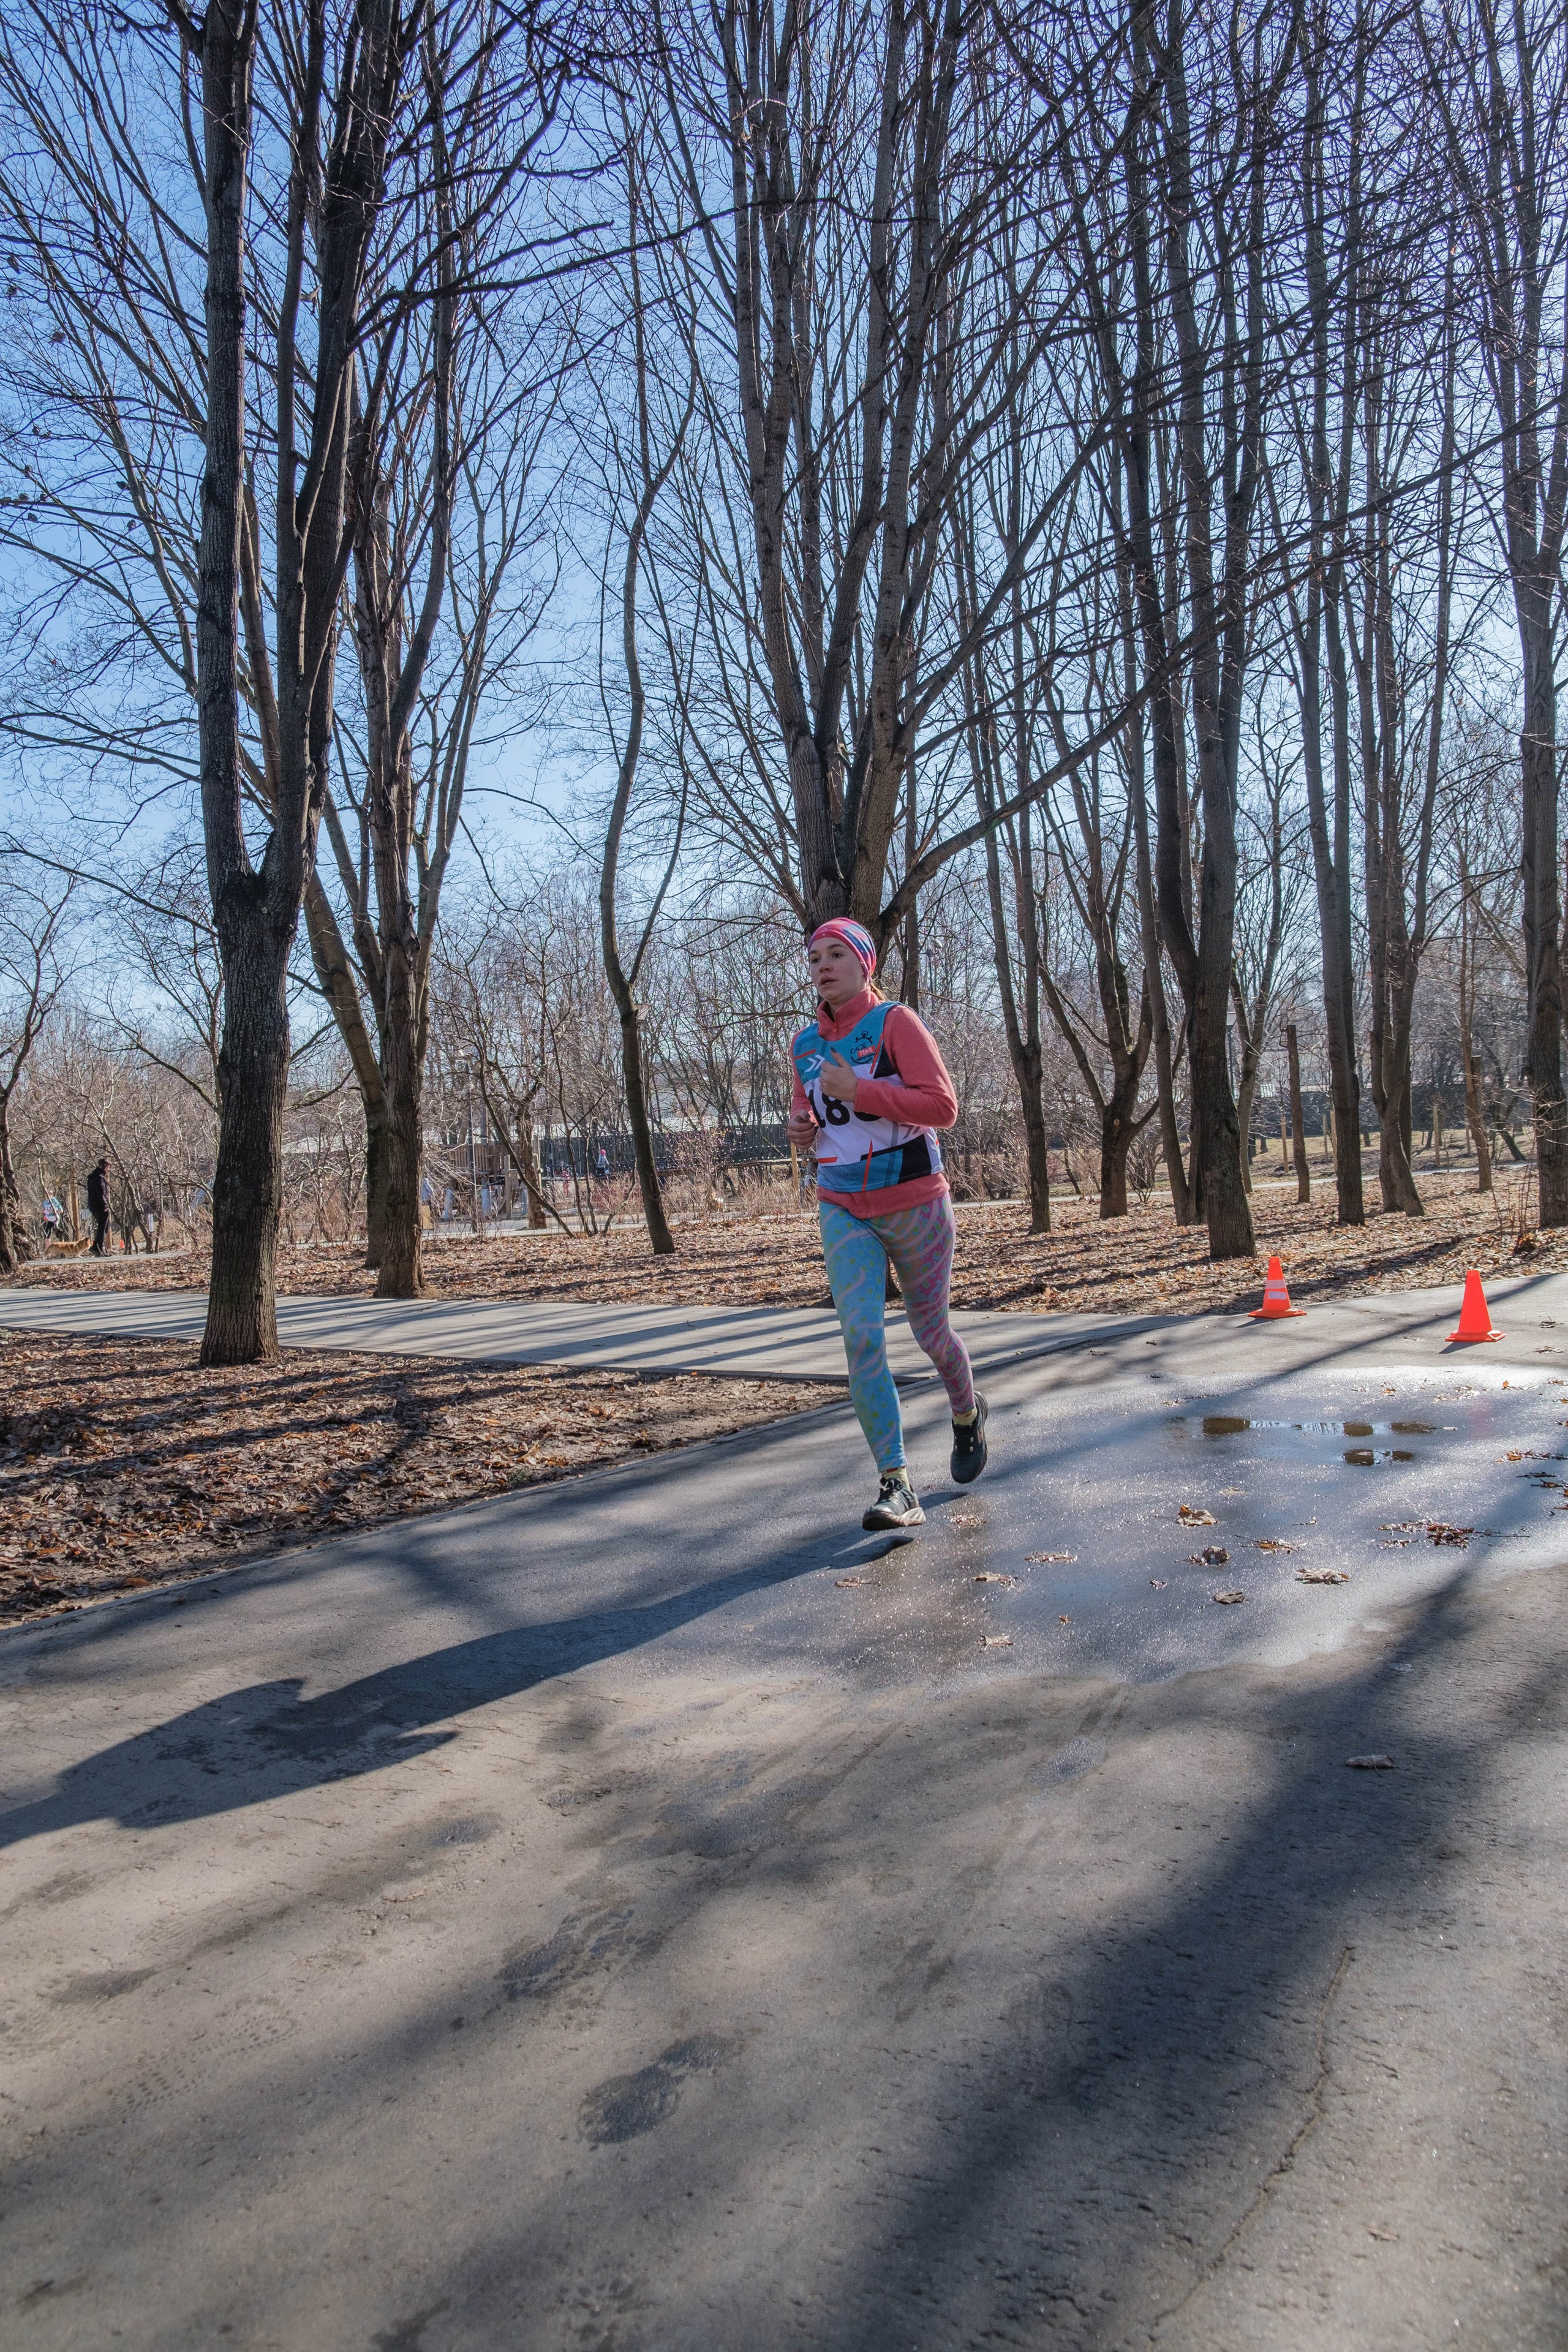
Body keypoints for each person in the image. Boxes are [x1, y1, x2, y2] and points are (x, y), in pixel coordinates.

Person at [786, 918, 987, 1531]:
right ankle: (896, 1484)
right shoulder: (803, 1046)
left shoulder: (896, 1023)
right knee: (862, 1336)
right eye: (814, 956)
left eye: (835, 954)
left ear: (863, 964)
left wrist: (864, 1090)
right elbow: (809, 1110)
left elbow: (942, 1108)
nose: (822, 965)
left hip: (917, 1202)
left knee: (932, 1335)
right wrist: (800, 1127)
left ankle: (966, 1412)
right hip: (843, 1205)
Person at [86, 1156, 111, 1256]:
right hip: (100, 1206)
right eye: (109, 1167)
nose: (109, 1169)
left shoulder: (93, 1177)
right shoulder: (99, 1178)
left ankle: (96, 1246)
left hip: (93, 1205)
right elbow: (101, 1193)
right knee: (103, 1227)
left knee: (103, 1227)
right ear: (105, 1166)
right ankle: (100, 1248)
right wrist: (105, 1205)